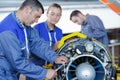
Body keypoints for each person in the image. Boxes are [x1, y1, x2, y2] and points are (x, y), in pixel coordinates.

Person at [0, 0, 68, 80]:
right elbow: (17, 62)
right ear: (27, 10)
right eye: (36, 16)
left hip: (14, 73)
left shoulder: (25, 26)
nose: (36, 21)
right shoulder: (8, 31)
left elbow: (37, 44)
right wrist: (44, 72)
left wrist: (54, 58)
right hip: (4, 74)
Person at [26, 3, 63, 80]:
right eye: (52, 14)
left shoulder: (59, 31)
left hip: (52, 70)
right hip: (37, 69)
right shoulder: (36, 28)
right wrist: (52, 48)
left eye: (58, 15)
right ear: (47, 14)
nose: (55, 17)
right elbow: (33, 49)